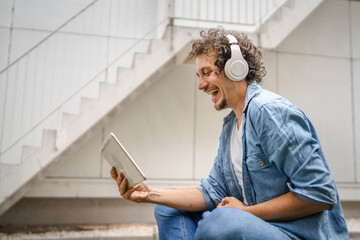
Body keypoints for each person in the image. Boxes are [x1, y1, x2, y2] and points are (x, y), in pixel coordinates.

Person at [110, 27, 349, 239]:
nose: (200, 85)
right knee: (167, 208)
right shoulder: (230, 127)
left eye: (206, 72)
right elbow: (212, 192)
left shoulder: (269, 112)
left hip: (296, 234)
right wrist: (148, 193)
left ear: (236, 68)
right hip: (256, 227)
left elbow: (319, 193)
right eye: (198, 76)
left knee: (221, 222)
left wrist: (246, 213)